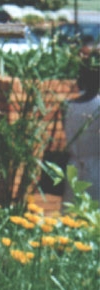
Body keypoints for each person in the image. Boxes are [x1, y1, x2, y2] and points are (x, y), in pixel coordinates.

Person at [63, 50, 100, 206]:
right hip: (96, 168)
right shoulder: (98, 106)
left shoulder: (66, 106)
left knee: (72, 213)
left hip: (73, 167)